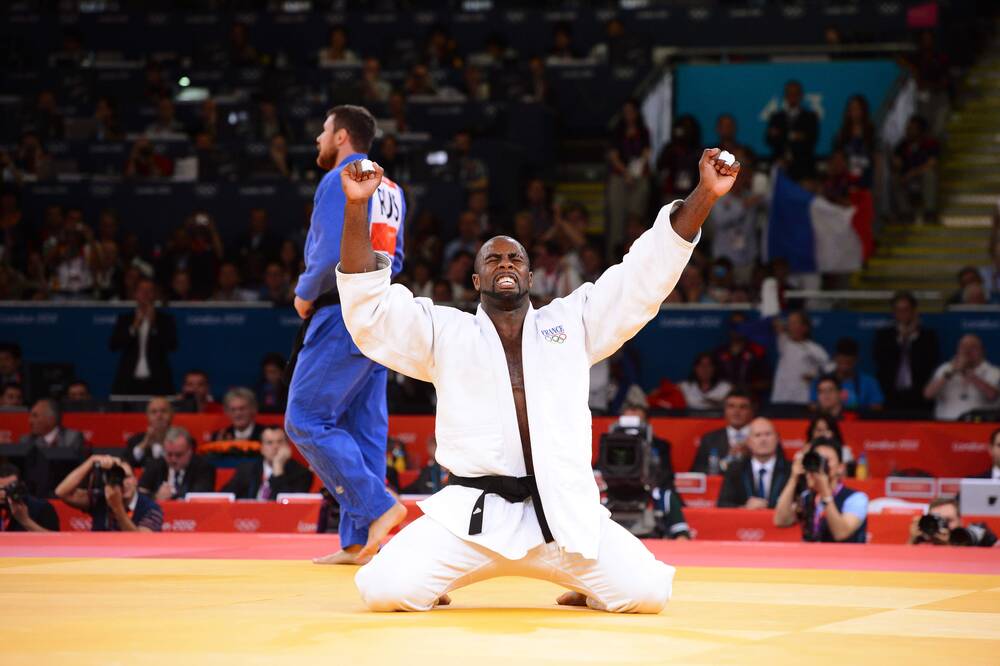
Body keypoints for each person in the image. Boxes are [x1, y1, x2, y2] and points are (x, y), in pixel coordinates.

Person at [336, 146, 740, 612]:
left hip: (563, 518)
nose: (505, 264)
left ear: (531, 275)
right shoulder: (444, 331)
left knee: (648, 593)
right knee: (384, 590)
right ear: (475, 280)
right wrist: (356, 205)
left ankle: (584, 583)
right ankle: (438, 577)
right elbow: (372, 308)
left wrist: (705, 195)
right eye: (493, 259)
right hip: (473, 516)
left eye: (515, 259)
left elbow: (642, 277)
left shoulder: (571, 325)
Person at [284, 105, 407, 566]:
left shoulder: (343, 178)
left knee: (305, 418)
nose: (318, 138)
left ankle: (377, 507)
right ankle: (360, 542)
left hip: (342, 310)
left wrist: (304, 292)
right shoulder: (392, 188)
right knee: (363, 429)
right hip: (381, 310)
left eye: (322, 130)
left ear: (341, 137)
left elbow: (329, 246)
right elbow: (397, 259)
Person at [773, 438, 869, 543]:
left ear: (840, 467)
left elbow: (841, 533)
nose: (822, 465)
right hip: (811, 558)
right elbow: (781, 521)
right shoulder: (807, 497)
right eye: (818, 460)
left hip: (844, 558)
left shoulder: (856, 498)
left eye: (827, 460)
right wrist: (793, 478)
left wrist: (825, 492)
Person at [56, 455, 163, 531]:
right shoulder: (100, 499)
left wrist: (117, 508)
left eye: (127, 477)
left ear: (136, 480)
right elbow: (62, 492)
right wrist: (92, 460)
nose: (123, 483)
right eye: (118, 478)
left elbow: (142, 543)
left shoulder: (151, 508)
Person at [873, 291, 940, 412]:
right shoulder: (884, 336)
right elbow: (883, 363)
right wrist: (902, 341)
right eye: (898, 310)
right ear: (893, 313)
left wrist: (911, 340)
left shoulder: (928, 337)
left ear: (914, 311)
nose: (902, 314)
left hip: (919, 397)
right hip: (891, 396)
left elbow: (929, 364)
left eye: (906, 309)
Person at [109, 276, 177, 395]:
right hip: (129, 382)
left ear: (155, 294)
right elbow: (114, 345)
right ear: (135, 294)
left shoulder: (165, 320)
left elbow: (172, 345)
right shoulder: (125, 319)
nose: (145, 294)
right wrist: (134, 327)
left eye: (149, 290)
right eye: (142, 290)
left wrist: (154, 325)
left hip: (158, 382)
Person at [606, 99, 651, 259]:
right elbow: (613, 155)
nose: (629, 115)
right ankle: (613, 260)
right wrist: (626, 173)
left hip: (638, 178)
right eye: (626, 111)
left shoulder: (643, 131)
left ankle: (639, 257)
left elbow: (646, 154)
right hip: (620, 178)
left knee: (636, 220)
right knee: (618, 222)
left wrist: (636, 172)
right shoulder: (617, 131)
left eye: (631, 111)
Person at [717, 418, 790, 510]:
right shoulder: (735, 470)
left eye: (768, 434)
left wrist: (768, 506)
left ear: (777, 438)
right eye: (757, 435)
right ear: (748, 441)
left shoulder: (791, 470)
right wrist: (745, 508)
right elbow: (722, 505)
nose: (763, 440)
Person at [222, 427, 313, 500]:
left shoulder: (301, 474)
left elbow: (289, 505)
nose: (275, 447)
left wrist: (278, 468)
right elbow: (225, 496)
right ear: (262, 448)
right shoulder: (246, 469)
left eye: (280, 442)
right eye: (269, 443)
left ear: (288, 446)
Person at [923, 334, 1000, 420]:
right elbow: (928, 394)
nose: (967, 351)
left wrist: (968, 373)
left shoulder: (994, 372)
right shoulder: (945, 369)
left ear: (982, 350)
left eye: (973, 347)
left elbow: (992, 396)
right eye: (963, 347)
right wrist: (950, 372)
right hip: (945, 425)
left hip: (980, 426)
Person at [138, 426, 216, 501]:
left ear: (190, 451)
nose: (173, 459)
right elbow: (140, 493)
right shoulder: (155, 465)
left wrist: (171, 495)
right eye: (169, 454)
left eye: (178, 455)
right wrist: (156, 496)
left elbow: (199, 495)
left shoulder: (204, 468)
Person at [690, 389, 755, 474]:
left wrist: (752, 454)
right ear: (725, 410)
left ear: (751, 411)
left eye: (743, 407)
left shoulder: (763, 437)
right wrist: (726, 461)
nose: (736, 412)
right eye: (731, 406)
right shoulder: (709, 439)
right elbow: (697, 472)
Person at [771, 311, 829, 405]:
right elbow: (776, 323)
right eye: (789, 323)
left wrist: (816, 377)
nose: (790, 326)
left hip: (803, 400)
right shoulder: (784, 342)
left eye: (794, 323)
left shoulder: (815, 349)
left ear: (804, 327)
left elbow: (829, 370)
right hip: (780, 398)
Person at [765, 80, 819, 181]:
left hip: (803, 166)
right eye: (789, 94)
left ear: (801, 96)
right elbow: (769, 139)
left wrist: (781, 134)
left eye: (796, 94)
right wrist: (795, 136)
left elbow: (810, 140)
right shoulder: (776, 117)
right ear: (785, 96)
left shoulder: (810, 117)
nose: (793, 96)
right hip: (780, 163)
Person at [811, 338, 884, 412]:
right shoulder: (821, 381)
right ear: (835, 359)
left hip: (860, 422)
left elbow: (877, 407)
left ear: (856, 360)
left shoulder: (869, 382)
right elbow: (813, 406)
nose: (845, 366)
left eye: (849, 362)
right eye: (841, 362)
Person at [907, 497, 997, 547]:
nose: (942, 526)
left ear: (961, 521)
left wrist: (949, 544)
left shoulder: (974, 539)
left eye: (948, 520)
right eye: (937, 520)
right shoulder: (922, 544)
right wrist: (912, 540)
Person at [0, 463, 59, 532]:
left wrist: (25, 520)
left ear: (21, 486)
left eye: (11, 488)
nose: (4, 493)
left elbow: (55, 540)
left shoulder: (42, 508)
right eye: (1, 489)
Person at [123, 396, 173, 468]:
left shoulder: (182, 439)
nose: (159, 415)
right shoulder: (135, 440)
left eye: (163, 411)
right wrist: (145, 442)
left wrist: (162, 441)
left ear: (171, 414)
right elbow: (128, 462)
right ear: (147, 416)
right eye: (154, 412)